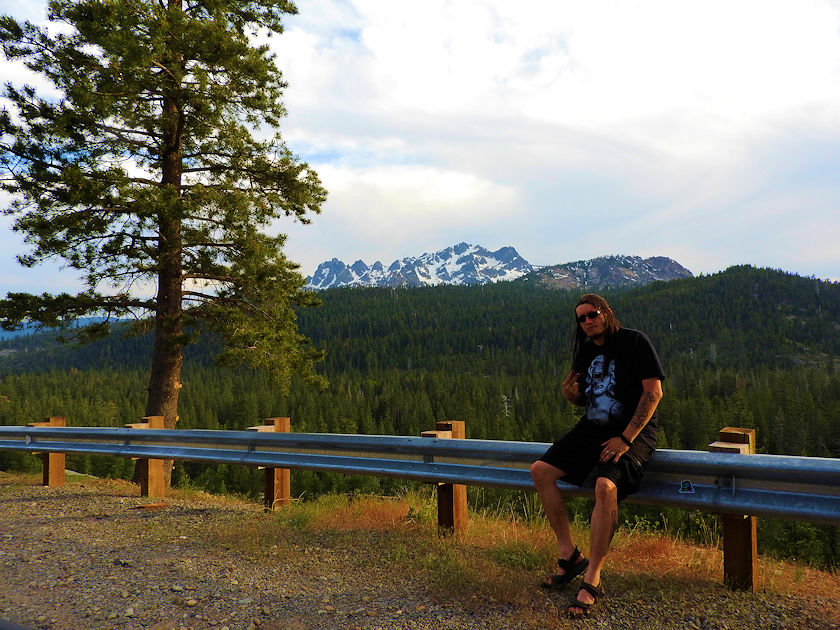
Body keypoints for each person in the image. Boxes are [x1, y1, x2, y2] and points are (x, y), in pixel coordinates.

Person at [530, 293, 664, 617]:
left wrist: (626, 438)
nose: (588, 321)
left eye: (593, 314)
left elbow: (653, 392)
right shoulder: (587, 350)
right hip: (592, 429)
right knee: (541, 471)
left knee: (605, 487)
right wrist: (572, 397)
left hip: (632, 433)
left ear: (607, 312)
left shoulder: (635, 342)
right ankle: (569, 556)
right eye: (582, 318)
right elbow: (587, 398)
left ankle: (592, 577)